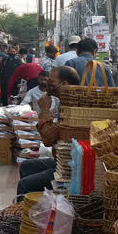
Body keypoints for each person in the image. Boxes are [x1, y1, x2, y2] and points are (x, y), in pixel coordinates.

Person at [16, 66, 80, 195]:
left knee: (25, 184)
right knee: (26, 166)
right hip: (59, 159)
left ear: (64, 84)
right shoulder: (64, 101)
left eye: (51, 82)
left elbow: (48, 139)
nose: (47, 85)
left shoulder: (72, 107)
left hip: (68, 167)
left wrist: (44, 110)